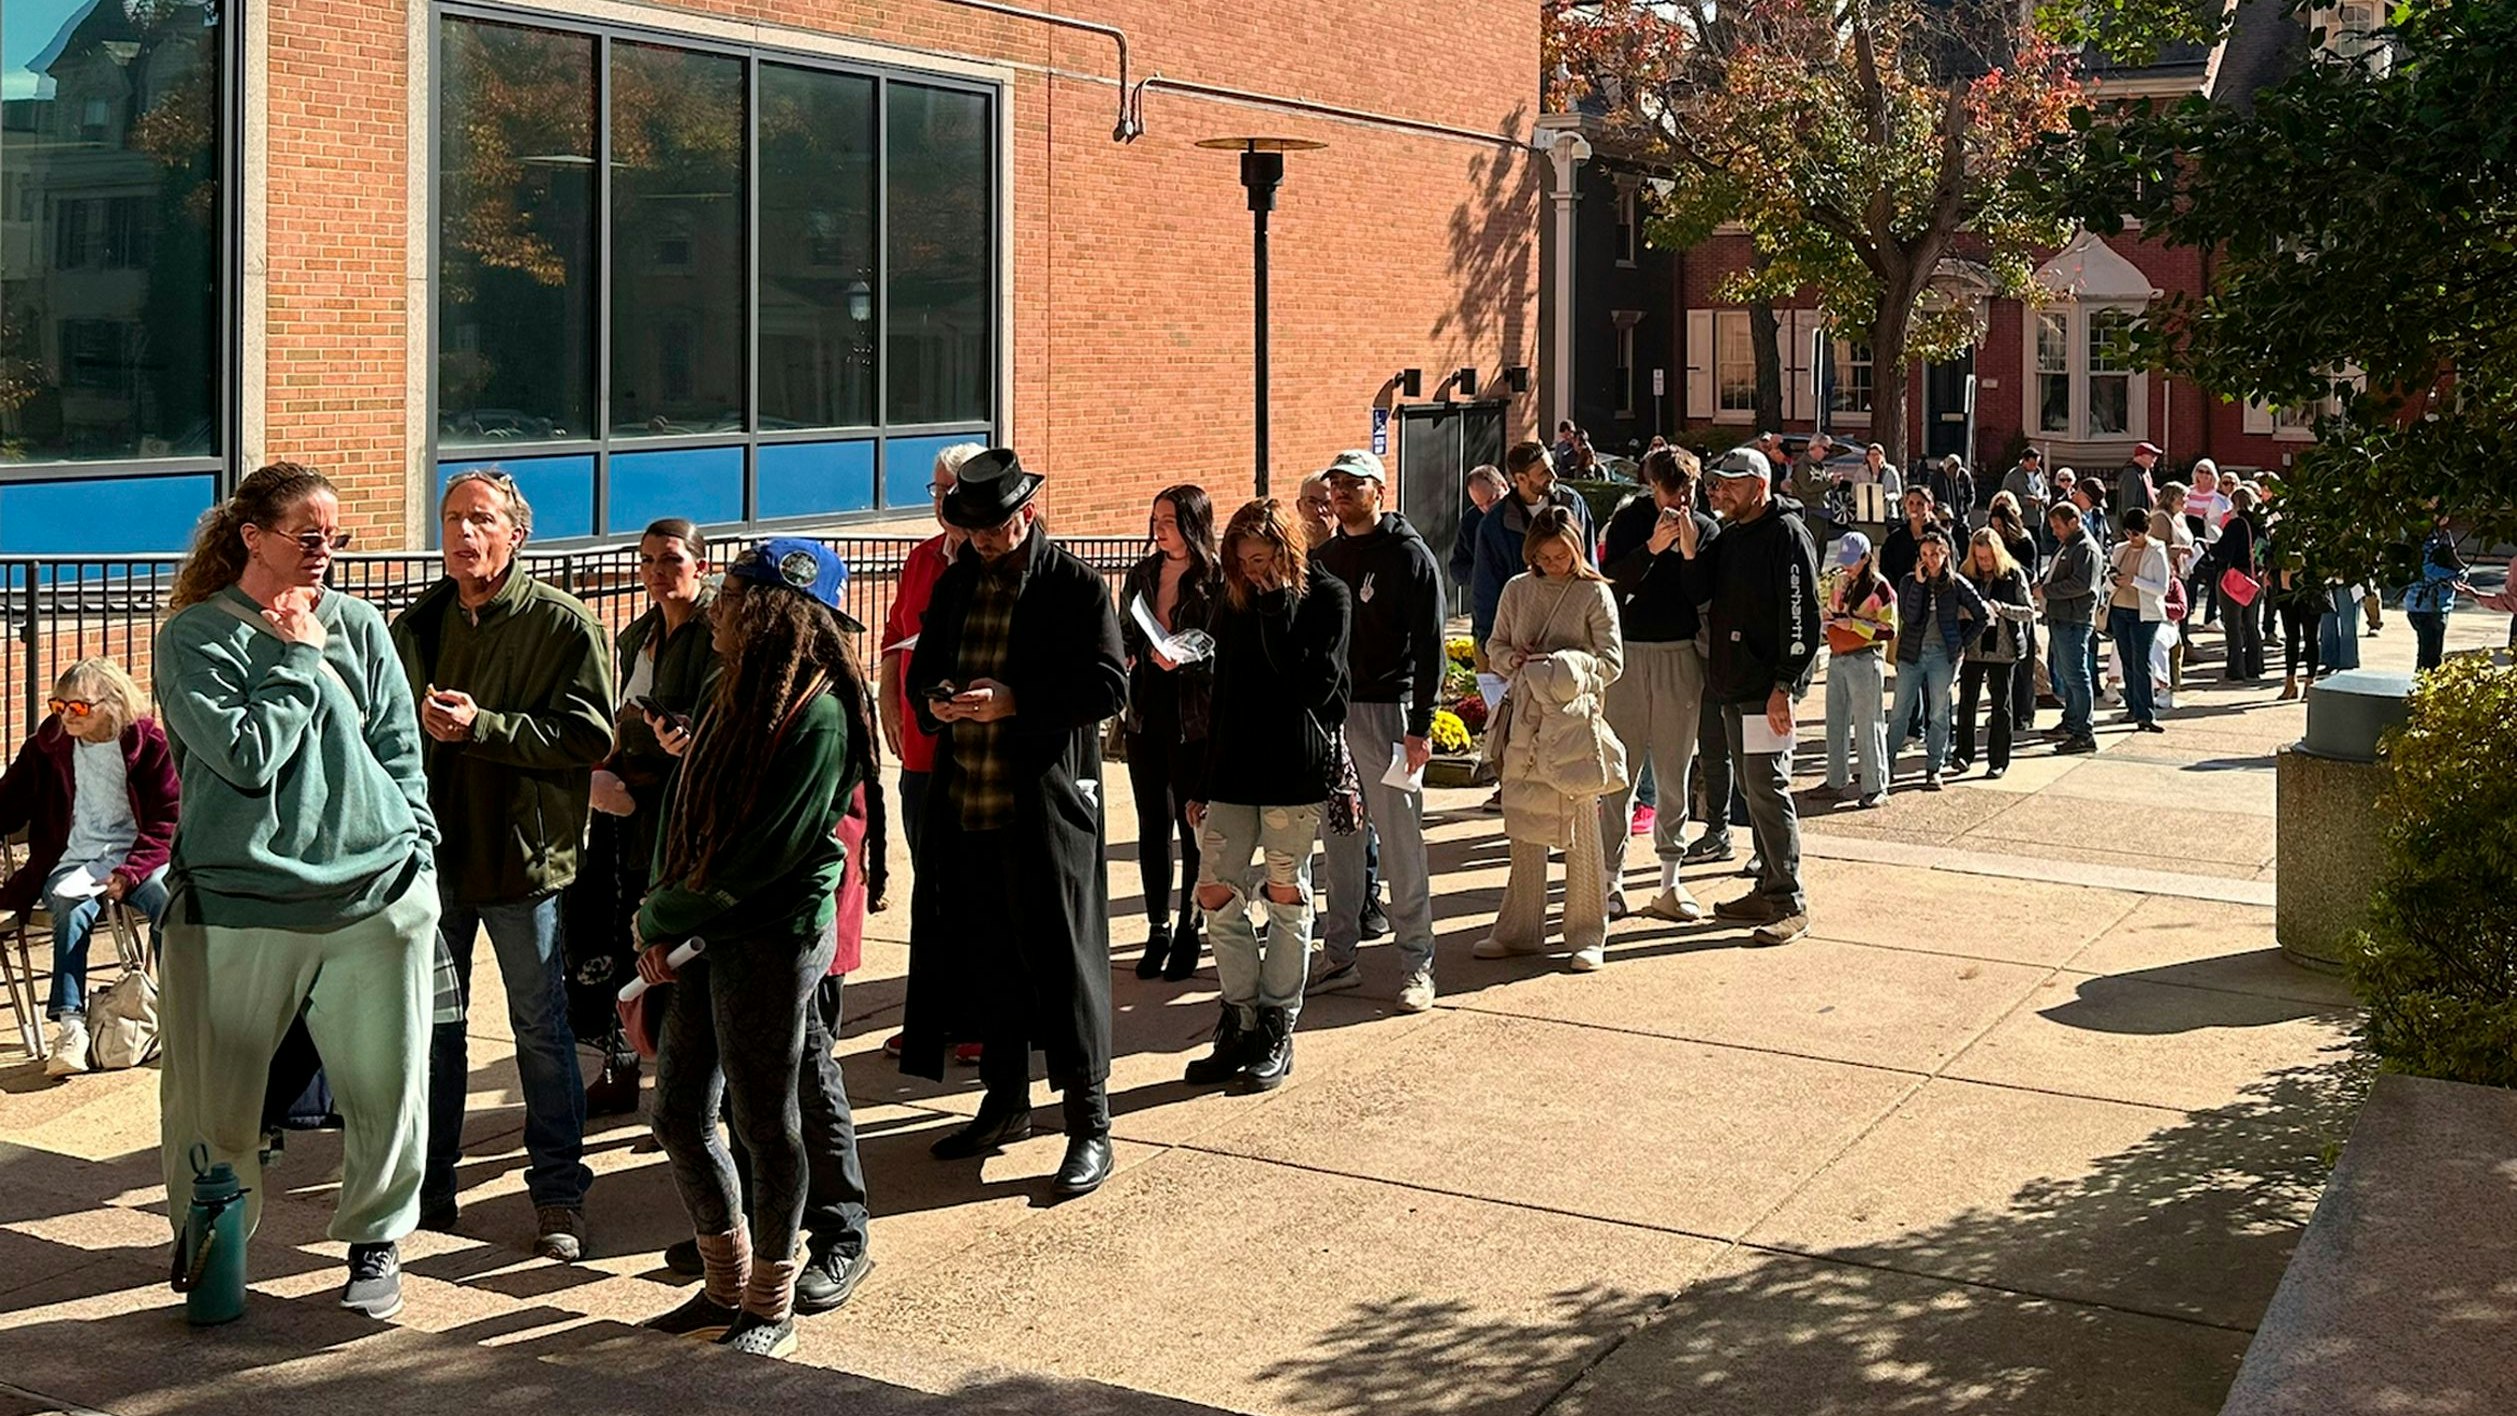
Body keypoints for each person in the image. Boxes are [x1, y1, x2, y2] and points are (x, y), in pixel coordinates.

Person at [154, 461, 443, 1321]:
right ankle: (215, 1251)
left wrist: (419, 856)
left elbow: (399, 750)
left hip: (375, 898)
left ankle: (376, 1242)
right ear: (252, 538)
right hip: (238, 905)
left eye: (336, 539)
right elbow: (244, 759)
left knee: (385, 1092)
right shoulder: (195, 637)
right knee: (214, 1106)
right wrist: (295, 659)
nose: (326, 553)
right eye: (307, 536)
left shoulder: (359, 624)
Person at [632, 539, 877, 1358]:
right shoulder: (725, 679)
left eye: (731, 591)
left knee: (767, 1121)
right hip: (704, 923)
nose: (717, 605)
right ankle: (722, 1280)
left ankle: (769, 1301)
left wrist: (664, 916)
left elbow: (763, 853)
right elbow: (687, 803)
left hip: (770, 936)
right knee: (677, 1112)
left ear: (770, 609)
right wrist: (658, 913)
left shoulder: (821, 714)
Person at [391, 470, 612, 1260]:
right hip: (436, 868)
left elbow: (591, 739)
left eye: (479, 519)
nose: (462, 534)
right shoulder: (416, 624)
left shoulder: (563, 624)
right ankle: (431, 1189)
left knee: (539, 1034)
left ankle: (557, 1195)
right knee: (433, 1036)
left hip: (524, 864)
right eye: (451, 518)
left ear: (516, 535)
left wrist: (483, 726)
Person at [901, 449, 1128, 1199]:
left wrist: (1014, 699)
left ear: (1024, 516)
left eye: (995, 528)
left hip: (1045, 805)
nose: (983, 541)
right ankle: (1004, 1104)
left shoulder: (1072, 585)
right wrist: (938, 697)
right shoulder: (959, 576)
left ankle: (1089, 1123)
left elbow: (1106, 685)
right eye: (971, 529)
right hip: (969, 798)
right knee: (985, 957)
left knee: (1064, 964)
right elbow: (925, 662)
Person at [1183, 498, 1351, 1089]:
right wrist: (1203, 779)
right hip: (1233, 767)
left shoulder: (1326, 597)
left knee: (1285, 891)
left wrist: (1279, 604)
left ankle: (1278, 1022)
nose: (1253, 571)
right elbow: (1222, 691)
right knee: (1214, 889)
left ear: (1288, 551)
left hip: (1293, 768)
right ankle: (1240, 1015)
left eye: (1262, 559)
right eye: (1243, 561)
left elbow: (1320, 690)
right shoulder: (1233, 602)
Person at [574, 519, 719, 1117]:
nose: (659, 571)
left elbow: (713, 720)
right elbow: (620, 714)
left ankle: (699, 1089)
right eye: (648, 560)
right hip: (628, 810)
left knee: (681, 947)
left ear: (701, 565)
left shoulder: (717, 632)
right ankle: (623, 1062)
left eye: (672, 559)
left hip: (686, 811)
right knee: (623, 931)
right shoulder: (637, 635)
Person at [1310, 450, 1444, 1009]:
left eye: (1352, 484)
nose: (1339, 492)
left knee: (1400, 844)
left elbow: (1431, 646)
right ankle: (1340, 956)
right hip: (1335, 717)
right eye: (1334, 483)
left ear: (1379, 492)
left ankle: (1418, 964)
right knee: (1340, 843)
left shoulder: (1410, 556)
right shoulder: (1328, 556)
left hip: (1390, 715)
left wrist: (1421, 726)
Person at [1671, 448, 1822, 946]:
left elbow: (1803, 618)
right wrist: (1691, 549)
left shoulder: (1787, 535)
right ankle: (1766, 885)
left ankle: (1788, 900)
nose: (1721, 492)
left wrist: (1785, 685)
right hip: (1732, 686)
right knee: (1751, 792)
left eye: (1731, 483)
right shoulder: (1732, 536)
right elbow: (1698, 594)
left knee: (1767, 788)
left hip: (1765, 692)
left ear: (1761, 485)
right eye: (1717, 483)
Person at [0, 659, 178, 1076]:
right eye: (58, 706)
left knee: (171, 903)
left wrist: (130, 871)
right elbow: (7, 804)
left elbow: (169, 817)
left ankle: (179, 1011)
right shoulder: (47, 747)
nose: (66, 717)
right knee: (68, 904)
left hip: (139, 856)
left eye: (77, 708)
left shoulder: (149, 744)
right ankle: (71, 1027)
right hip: (75, 858)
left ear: (111, 702)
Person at [1477, 506, 1624, 968]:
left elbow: (1612, 662)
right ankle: (1519, 929)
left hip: (1574, 722)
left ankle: (1587, 932)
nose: (1554, 563)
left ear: (1577, 550)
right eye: (1544, 556)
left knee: (1580, 828)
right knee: (1524, 825)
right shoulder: (1517, 590)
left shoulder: (1594, 594)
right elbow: (1494, 644)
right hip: (1524, 720)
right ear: (1531, 554)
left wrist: (1564, 665)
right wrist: (1512, 660)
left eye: (1562, 555)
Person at [876, 442, 986, 1064]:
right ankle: (934, 1014)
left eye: (950, 490)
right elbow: (895, 641)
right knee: (934, 886)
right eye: (936, 490)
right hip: (920, 752)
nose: (942, 501)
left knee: (976, 886)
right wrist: (891, 708)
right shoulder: (920, 560)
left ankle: (981, 1016)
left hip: (977, 753)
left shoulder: (996, 561)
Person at [1596, 447, 1717, 920]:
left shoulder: (1705, 529)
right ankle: (1609, 881)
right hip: (1630, 654)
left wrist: (1688, 554)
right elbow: (1612, 582)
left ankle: (1669, 881)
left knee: (1673, 771)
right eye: (1672, 490)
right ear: (1653, 487)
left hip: (1679, 654)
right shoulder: (1630, 520)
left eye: (1689, 490)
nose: (1681, 500)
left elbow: (1703, 596)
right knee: (1619, 773)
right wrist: (1652, 548)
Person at [1119, 485, 1219, 982]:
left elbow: (1223, 648)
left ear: (1193, 525)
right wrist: (1131, 653)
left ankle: (1189, 927)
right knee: (1150, 826)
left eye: (1170, 521)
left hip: (1192, 718)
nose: (1159, 530)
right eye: (1155, 520)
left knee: (1191, 827)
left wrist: (1188, 657)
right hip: (1146, 713)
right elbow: (1122, 632)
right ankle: (1157, 926)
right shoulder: (1141, 574)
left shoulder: (1214, 578)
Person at [1472, 442, 1596, 662]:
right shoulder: (1495, 525)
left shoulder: (1573, 504)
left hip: (1572, 632)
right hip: (1523, 639)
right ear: (1521, 479)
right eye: (1544, 472)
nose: (1553, 475)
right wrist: (1494, 646)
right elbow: (1486, 590)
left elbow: (1590, 565)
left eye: (1551, 467)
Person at [1886, 528, 1986, 788]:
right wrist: (1919, 584)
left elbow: (1982, 615)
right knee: (1900, 712)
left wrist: (1962, 643)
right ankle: (1886, 764)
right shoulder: (1909, 581)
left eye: (1934, 554)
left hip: (1942, 655)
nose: (1928, 560)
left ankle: (1934, 767)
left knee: (1939, 713)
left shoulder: (1955, 583)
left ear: (1945, 555)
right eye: (1924, 554)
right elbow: (1910, 616)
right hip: (1911, 654)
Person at [1821, 533, 1897, 807]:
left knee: (1868, 723)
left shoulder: (1880, 587)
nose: (1848, 567)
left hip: (1865, 658)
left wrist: (1852, 624)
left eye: (1854, 561)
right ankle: (1835, 778)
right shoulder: (1840, 580)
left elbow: (1889, 630)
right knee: (1836, 721)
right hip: (1838, 656)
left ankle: (1875, 785)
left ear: (1866, 559)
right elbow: (1831, 608)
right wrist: (1830, 620)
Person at [1952, 529, 2035, 780]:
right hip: (1973, 648)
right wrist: (1967, 613)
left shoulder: (2013, 575)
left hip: (2003, 649)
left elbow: (2029, 611)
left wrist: (2003, 609)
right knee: (1967, 703)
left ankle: (1998, 760)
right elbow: (1954, 607)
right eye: (1979, 557)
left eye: (1987, 558)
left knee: (2001, 706)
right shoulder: (1966, 575)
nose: (1984, 563)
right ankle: (1963, 754)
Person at [2040, 503, 2102, 755]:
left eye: (2058, 526)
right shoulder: (2070, 545)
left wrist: (2046, 591)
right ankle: (2072, 721)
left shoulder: (2085, 548)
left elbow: (2081, 584)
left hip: (2074, 619)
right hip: (2061, 616)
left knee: (2077, 676)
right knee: (2069, 676)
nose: (2055, 532)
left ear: (2073, 522)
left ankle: (2083, 732)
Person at [2107, 510, 2172, 734]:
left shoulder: (2156, 550)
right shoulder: (2120, 549)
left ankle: (2146, 714)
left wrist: (2134, 581)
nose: (2131, 537)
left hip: (2144, 614)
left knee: (2141, 661)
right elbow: (2109, 579)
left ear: (2146, 531)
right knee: (2127, 661)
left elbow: (2161, 588)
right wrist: (2114, 580)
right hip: (2119, 610)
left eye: (2136, 533)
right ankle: (2133, 708)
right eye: (2127, 532)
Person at [2402, 513, 2473, 672]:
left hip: (2429, 604)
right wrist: (2458, 575)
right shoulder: (2425, 540)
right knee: (2430, 659)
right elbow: (2428, 568)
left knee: (2430, 655)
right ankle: (2423, 693)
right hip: (2428, 606)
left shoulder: (2434, 537)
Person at [2213, 485, 2267, 681]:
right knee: (2251, 623)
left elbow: (2223, 553)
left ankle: (2236, 668)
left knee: (2233, 624)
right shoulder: (2262, 526)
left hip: (2235, 577)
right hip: (2256, 577)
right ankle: (2255, 665)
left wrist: (2212, 548)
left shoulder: (2236, 525)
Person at [1450, 464, 1507, 592]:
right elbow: (1457, 569)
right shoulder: (1471, 520)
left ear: (1503, 486)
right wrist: (1482, 573)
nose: (1487, 510)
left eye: (1492, 501)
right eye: (1480, 505)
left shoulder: (1521, 510)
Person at [1879, 487, 1936, 588]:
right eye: (1911, 503)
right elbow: (1886, 571)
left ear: (1930, 506)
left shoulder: (1941, 536)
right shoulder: (1895, 540)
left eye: (1920, 504)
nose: (1914, 508)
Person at [2001, 449, 2049, 531]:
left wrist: (2045, 499)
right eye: (2032, 464)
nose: (2034, 466)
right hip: (2023, 521)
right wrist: (2026, 500)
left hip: (2039, 520)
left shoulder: (2039, 474)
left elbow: (2046, 492)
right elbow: (2006, 497)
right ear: (2024, 461)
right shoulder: (2013, 476)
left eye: (2036, 464)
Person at [2118, 441, 2161, 517]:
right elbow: (2128, 505)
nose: (2155, 458)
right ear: (2140, 456)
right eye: (2152, 455)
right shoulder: (2131, 474)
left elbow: (2147, 490)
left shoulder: (2145, 471)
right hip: (2135, 525)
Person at [1295, 472, 1337, 550]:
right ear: (1299, 506)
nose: (1319, 510)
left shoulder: (1347, 552)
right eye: (1312, 502)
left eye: (1327, 503)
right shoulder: (1290, 552)